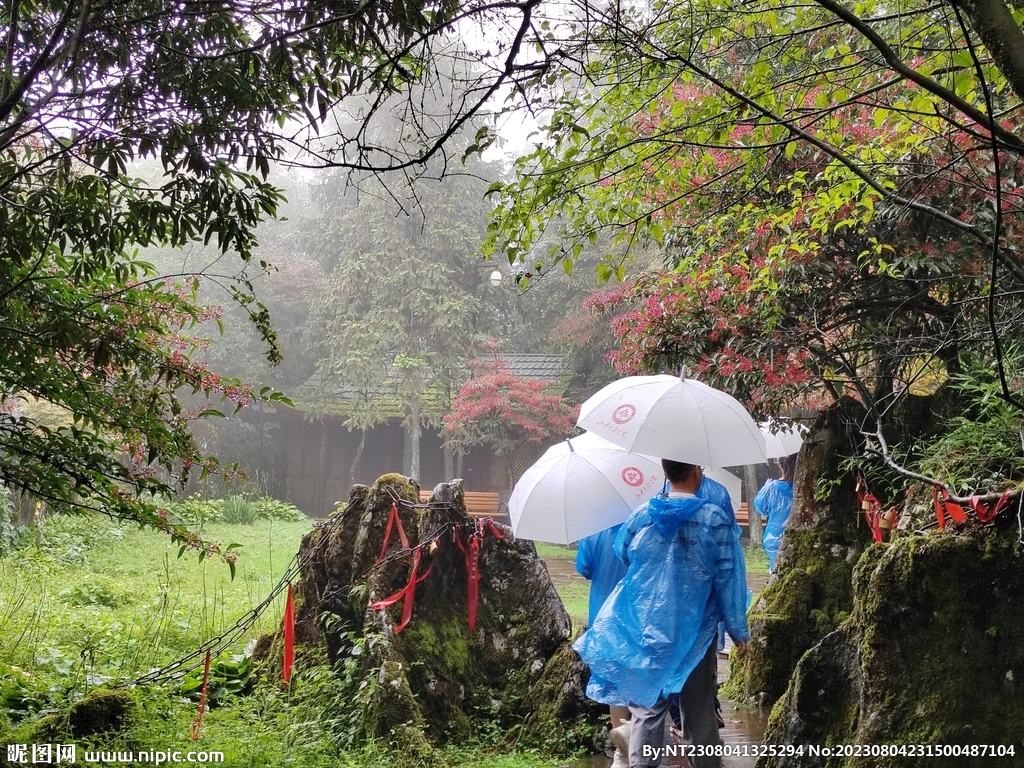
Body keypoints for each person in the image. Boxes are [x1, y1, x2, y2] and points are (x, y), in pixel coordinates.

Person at [573, 460, 750, 768]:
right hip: (696, 636)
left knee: (646, 711)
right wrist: (738, 630)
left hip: (649, 629)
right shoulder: (714, 520)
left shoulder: (642, 516)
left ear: (665, 474)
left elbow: (624, 552)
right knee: (698, 714)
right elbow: (728, 578)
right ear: (697, 471)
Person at [575, 524, 631, 767]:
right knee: (640, 676)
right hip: (635, 613)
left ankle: (622, 745)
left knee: (612, 682)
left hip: (603, 615)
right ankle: (636, 733)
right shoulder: (641, 525)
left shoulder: (593, 529)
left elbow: (584, 568)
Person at [754, 454, 796, 571]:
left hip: (773, 538)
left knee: (777, 570)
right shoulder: (801, 487)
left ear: (780, 465)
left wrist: (766, 486)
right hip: (796, 538)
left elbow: (760, 508)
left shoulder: (771, 488)